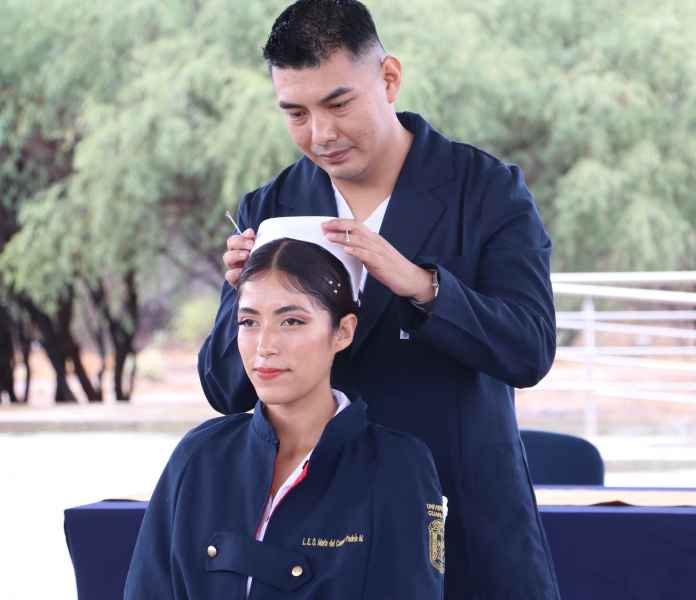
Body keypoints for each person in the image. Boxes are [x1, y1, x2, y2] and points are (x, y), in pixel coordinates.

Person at [199, 1, 560, 597]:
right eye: (296, 113)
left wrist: (422, 286)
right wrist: (245, 301)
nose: (321, 135)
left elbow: (530, 350)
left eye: (339, 104)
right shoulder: (270, 207)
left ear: (389, 79)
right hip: (317, 539)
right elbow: (225, 392)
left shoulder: (488, 190)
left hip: (464, 521)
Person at [125, 234, 445, 600]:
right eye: (249, 322)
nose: (265, 346)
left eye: (291, 321)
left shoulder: (397, 465)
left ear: (342, 332)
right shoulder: (200, 454)